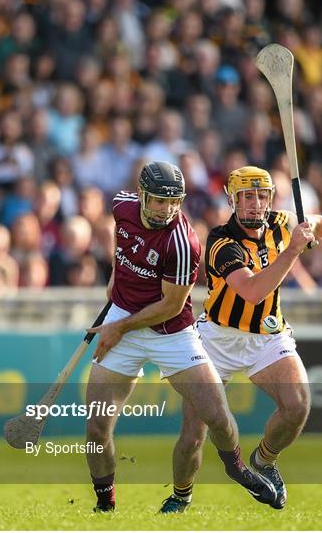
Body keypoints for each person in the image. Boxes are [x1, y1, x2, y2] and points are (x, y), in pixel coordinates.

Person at [165, 166, 322, 510]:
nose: (256, 204)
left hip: (268, 335)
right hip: (217, 338)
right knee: (192, 435)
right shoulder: (221, 242)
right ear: (233, 200)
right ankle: (180, 496)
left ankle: (263, 461)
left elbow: (317, 222)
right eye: (247, 197)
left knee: (297, 406)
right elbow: (253, 292)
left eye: (261, 196)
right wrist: (293, 250)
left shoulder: (279, 222)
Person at [85, 161, 278, 513]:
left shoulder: (183, 242)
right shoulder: (121, 206)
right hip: (122, 318)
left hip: (170, 331)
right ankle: (105, 505)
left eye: (173, 202)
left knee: (217, 416)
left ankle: (236, 467)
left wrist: (118, 328)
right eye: (158, 201)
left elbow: (170, 306)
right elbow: (122, 241)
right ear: (142, 196)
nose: (166, 209)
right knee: (97, 425)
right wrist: (117, 273)